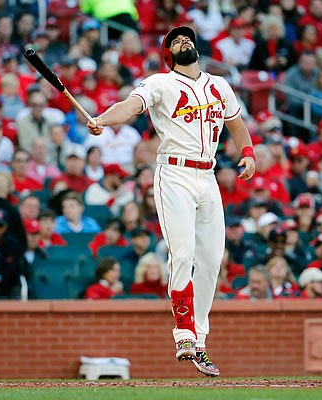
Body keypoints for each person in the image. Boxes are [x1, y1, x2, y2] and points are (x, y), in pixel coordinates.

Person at [87, 25, 255, 377]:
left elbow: (236, 124)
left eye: (186, 37)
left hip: (208, 176)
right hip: (174, 172)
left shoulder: (219, 84)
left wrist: (249, 152)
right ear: (169, 55)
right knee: (182, 253)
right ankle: (183, 334)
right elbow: (131, 106)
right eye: (175, 41)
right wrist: (102, 118)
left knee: (211, 261)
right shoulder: (160, 83)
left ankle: (201, 340)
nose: (183, 41)